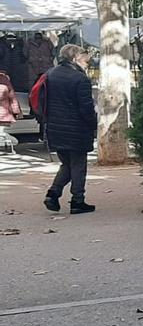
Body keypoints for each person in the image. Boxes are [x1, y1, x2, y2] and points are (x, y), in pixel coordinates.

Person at [43, 44, 97, 214]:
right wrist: (94, 125)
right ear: (75, 58)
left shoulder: (50, 74)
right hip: (76, 129)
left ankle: (53, 194)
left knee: (67, 164)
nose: (87, 63)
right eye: (85, 60)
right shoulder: (80, 79)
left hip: (55, 128)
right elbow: (86, 108)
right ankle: (77, 201)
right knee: (78, 165)